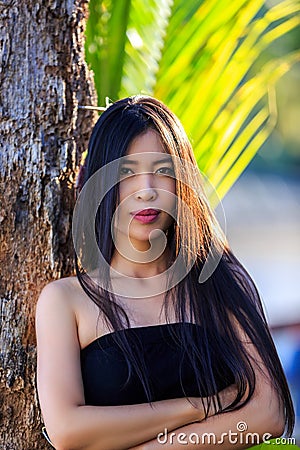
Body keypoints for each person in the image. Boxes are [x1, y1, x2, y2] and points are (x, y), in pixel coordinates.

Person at [36, 95, 295, 450]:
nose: (146, 191)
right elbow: (67, 430)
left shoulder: (221, 282)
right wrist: (200, 407)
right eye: (127, 173)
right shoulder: (66, 301)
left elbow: (269, 414)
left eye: (162, 171)